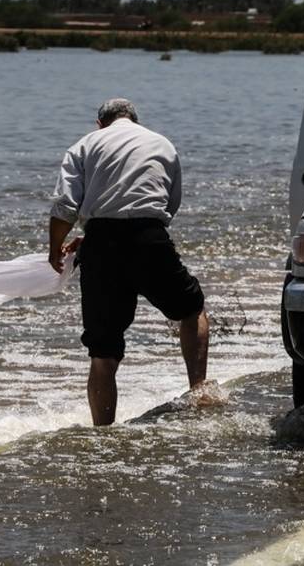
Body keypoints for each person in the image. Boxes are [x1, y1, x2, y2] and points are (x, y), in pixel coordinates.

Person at [48, 99, 209, 426]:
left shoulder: (84, 145)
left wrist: (57, 248)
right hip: (149, 238)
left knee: (103, 351)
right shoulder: (162, 143)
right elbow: (169, 204)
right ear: (135, 120)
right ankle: (198, 391)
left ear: (100, 123)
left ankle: (103, 432)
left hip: (101, 246)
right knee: (191, 310)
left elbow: (65, 205)